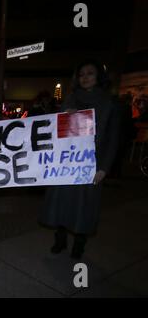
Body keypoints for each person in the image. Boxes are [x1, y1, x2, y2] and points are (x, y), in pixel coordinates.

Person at [39, 60, 120, 259]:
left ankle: (79, 245)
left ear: (98, 77)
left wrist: (104, 167)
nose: (85, 77)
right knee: (61, 204)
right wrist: (64, 117)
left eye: (90, 73)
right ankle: (60, 240)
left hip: (91, 164)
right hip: (67, 164)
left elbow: (113, 138)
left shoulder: (109, 103)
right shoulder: (70, 99)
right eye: (82, 74)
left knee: (85, 206)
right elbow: (56, 132)